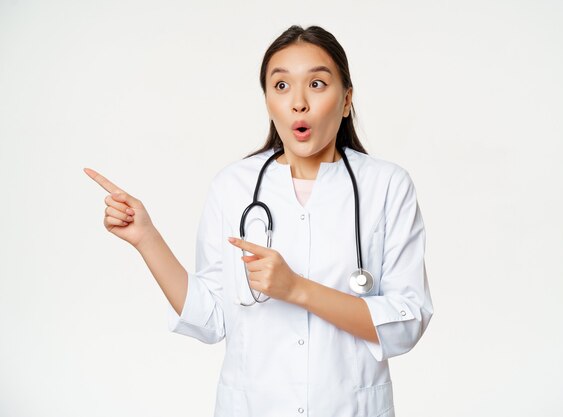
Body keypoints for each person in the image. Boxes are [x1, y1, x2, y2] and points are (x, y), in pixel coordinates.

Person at [85, 25, 433, 417]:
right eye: (281, 87)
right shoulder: (234, 186)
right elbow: (211, 318)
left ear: (347, 99)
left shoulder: (387, 186)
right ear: (267, 100)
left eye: (317, 84)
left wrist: (296, 289)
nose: (298, 103)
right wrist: (146, 237)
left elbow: (406, 322)